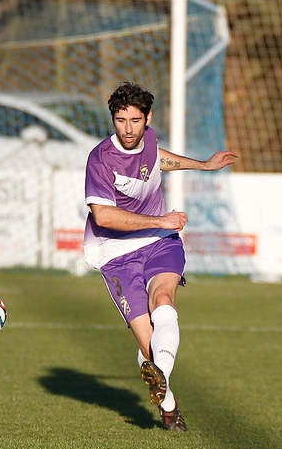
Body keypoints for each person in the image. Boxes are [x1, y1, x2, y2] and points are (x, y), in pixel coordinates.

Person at [83, 82, 238, 431]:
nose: (127, 128)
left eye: (135, 120)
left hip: (158, 241)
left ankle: (161, 376)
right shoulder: (100, 159)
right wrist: (161, 219)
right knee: (147, 345)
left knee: (164, 299)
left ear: (147, 118)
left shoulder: (149, 139)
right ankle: (168, 405)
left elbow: (158, 159)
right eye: (120, 120)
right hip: (115, 253)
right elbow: (103, 217)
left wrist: (203, 165)